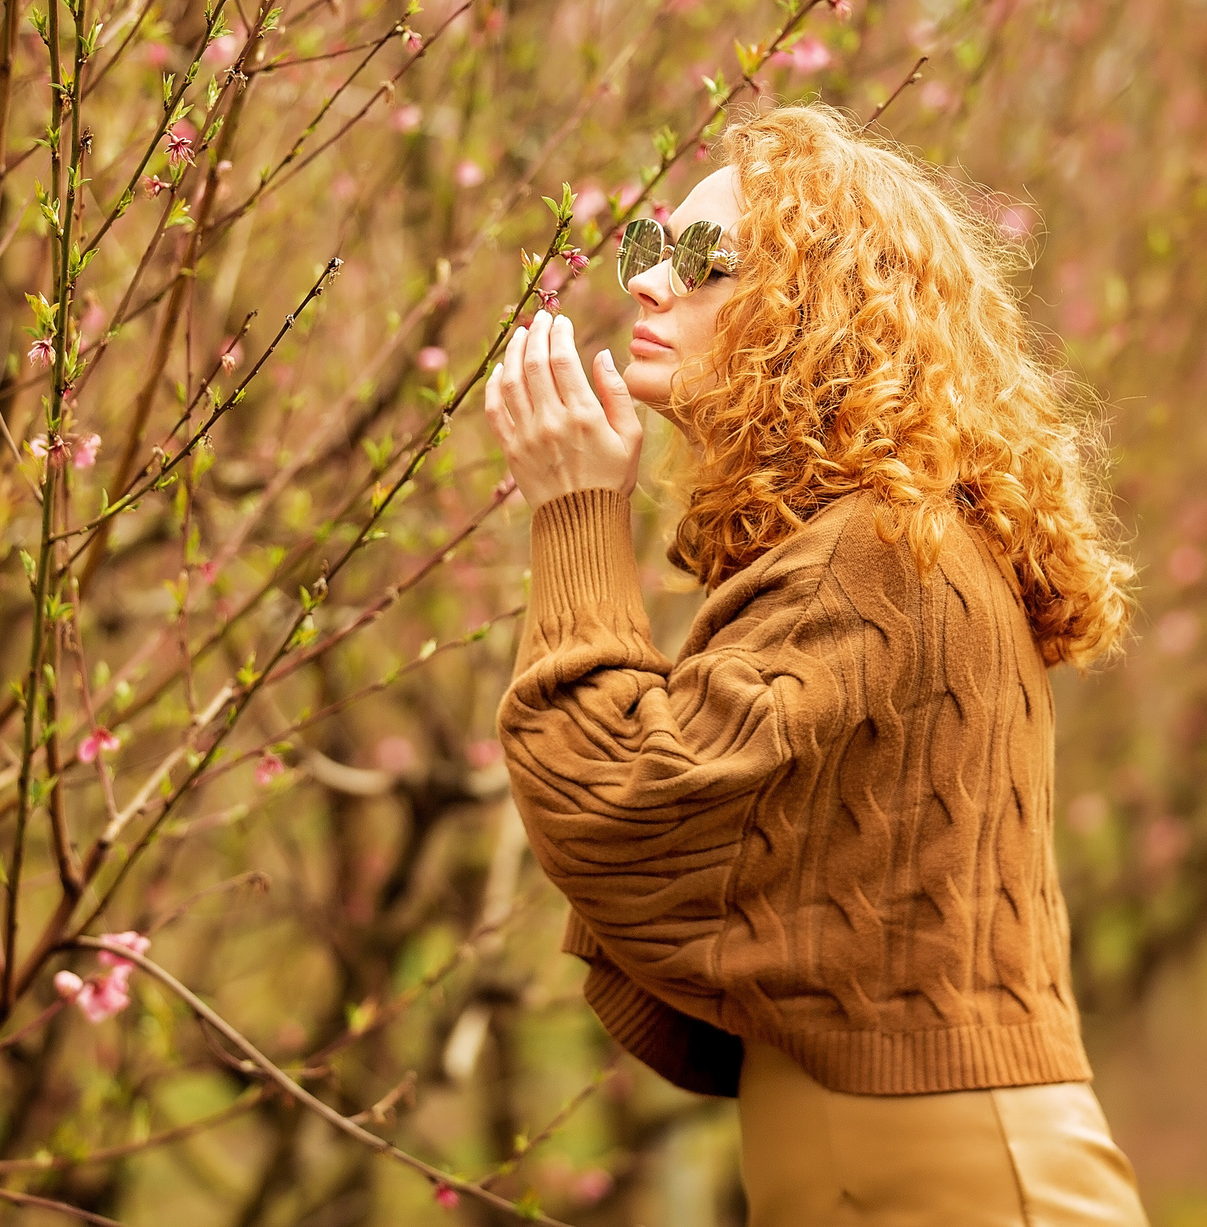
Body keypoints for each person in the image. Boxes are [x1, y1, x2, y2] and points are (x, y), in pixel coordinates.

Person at [485, 104, 1148, 1224]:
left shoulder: (876, 552)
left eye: (704, 261)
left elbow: (620, 799)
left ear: (819, 309)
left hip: (949, 1176)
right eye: (650, 247)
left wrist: (576, 513)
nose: (649, 284)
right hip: (914, 1157)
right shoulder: (873, 540)